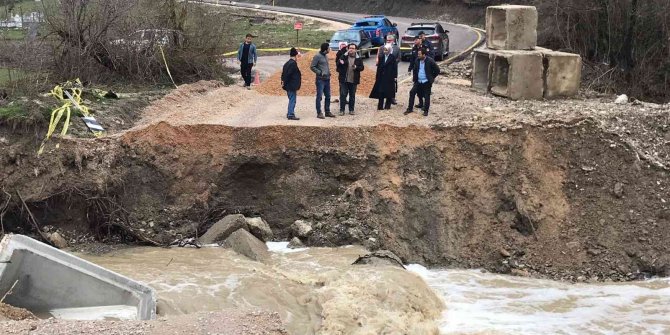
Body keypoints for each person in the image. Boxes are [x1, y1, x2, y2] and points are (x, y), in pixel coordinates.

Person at [405, 48, 440, 116]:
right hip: (418, 81)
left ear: (424, 55)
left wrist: (431, 78)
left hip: (426, 81)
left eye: (419, 54)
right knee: (412, 92)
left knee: (427, 96)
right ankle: (410, 109)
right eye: (418, 54)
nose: (418, 55)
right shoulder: (417, 60)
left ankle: (426, 111)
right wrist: (415, 79)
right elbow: (415, 70)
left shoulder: (430, 61)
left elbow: (437, 70)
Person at [336, 43, 365, 115]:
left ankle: (351, 110)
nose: (351, 50)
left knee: (352, 96)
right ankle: (342, 110)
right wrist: (342, 58)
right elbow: (338, 64)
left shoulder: (358, 58)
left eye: (353, 48)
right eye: (350, 48)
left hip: (353, 80)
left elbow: (362, 68)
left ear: (356, 50)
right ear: (348, 49)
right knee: (343, 95)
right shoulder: (344, 56)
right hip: (344, 80)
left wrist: (356, 67)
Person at [310, 43, 335, 119]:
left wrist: (328, 72)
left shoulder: (326, 56)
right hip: (320, 80)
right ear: (325, 49)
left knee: (328, 96)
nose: (329, 49)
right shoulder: (317, 56)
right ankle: (319, 113)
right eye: (328, 48)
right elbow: (312, 66)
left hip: (327, 79)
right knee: (319, 96)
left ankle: (327, 111)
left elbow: (325, 66)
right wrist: (320, 73)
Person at [369, 45, 397, 110]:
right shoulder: (381, 57)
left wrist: (394, 76)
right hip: (381, 77)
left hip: (389, 77)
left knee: (389, 91)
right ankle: (380, 106)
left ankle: (387, 106)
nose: (385, 51)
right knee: (381, 91)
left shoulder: (392, 57)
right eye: (384, 50)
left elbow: (394, 68)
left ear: (389, 50)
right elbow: (378, 68)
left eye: (386, 50)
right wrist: (377, 76)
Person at [281, 47, 302, 120]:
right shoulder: (293, 64)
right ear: (295, 56)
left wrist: (283, 83)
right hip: (291, 85)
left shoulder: (287, 63)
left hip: (288, 85)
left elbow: (283, 74)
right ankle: (290, 114)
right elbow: (288, 75)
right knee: (292, 100)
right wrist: (285, 83)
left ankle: (289, 113)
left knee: (291, 99)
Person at [407, 37, 424, 108]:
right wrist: (409, 69)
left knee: (424, 90)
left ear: (420, 40)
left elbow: (429, 58)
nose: (415, 41)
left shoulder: (424, 48)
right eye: (414, 40)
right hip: (416, 71)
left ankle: (425, 105)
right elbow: (412, 60)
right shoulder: (414, 49)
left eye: (416, 40)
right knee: (417, 89)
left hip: (423, 71)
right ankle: (420, 103)